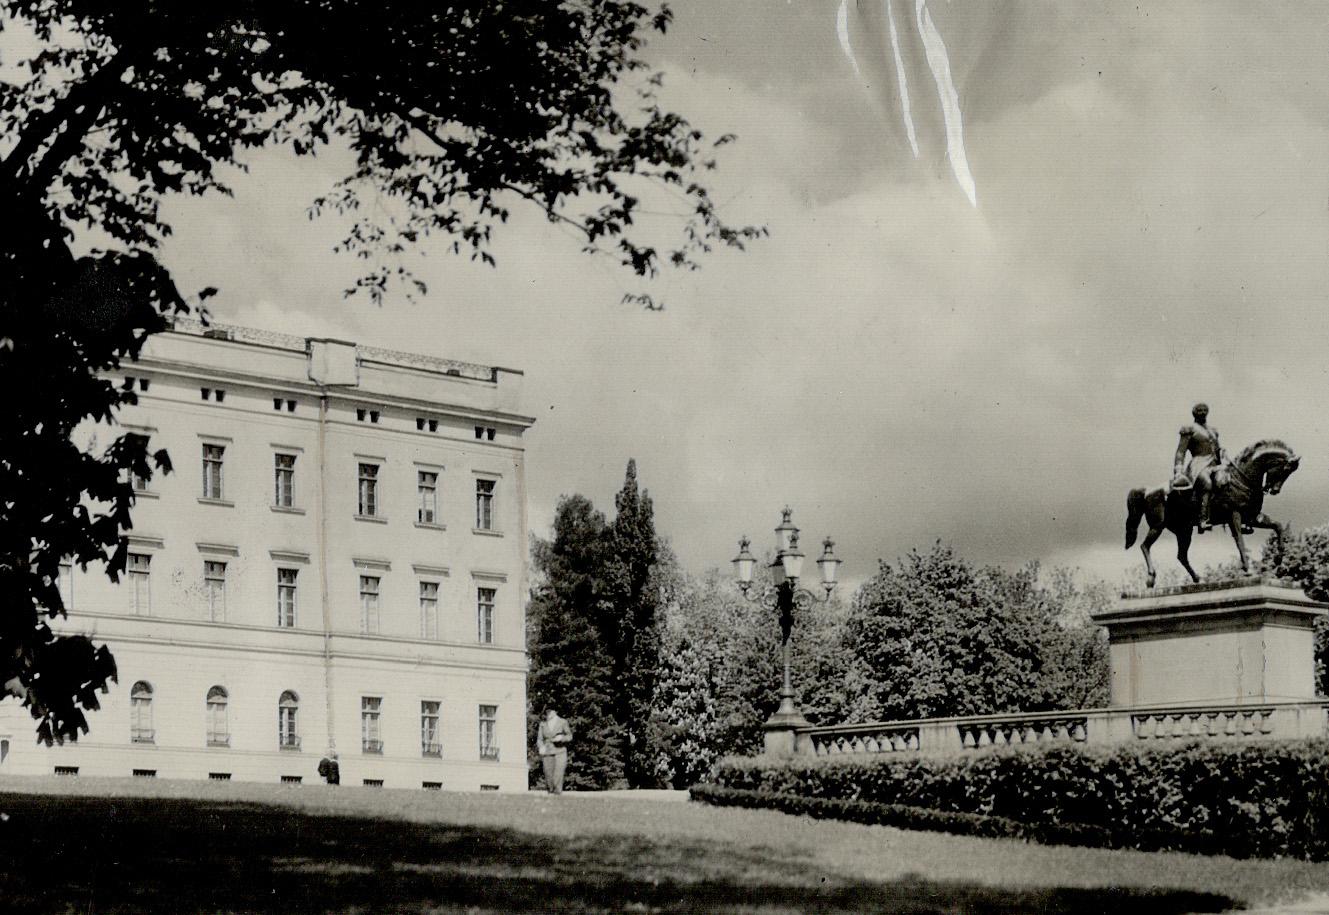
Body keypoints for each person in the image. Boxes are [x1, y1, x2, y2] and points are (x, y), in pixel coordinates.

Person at [1173, 402, 1226, 531]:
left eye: (1204, 410)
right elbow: (1181, 451)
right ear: (1194, 413)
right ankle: (1203, 519)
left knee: (1227, 481)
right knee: (1206, 483)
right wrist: (1178, 471)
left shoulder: (1213, 431)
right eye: (1199, 410)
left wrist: (1223, 456)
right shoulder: (1189, 429)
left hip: (1214, 464)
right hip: (1198, 464)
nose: (1202, 412)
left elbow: (1217, 449)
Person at [536, 707, 573, 794]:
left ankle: (557, 794)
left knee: (558, 774)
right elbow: (539, 739)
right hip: (547, 752)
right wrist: (541, 747)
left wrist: (562, 738)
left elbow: (569, 736)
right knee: (548, 775)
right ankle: (550, 793)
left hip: (560, 751)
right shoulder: (543, 724)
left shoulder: (562, 722)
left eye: (550, 711)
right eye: (547, 711)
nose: (548, 713)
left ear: (555, 711)